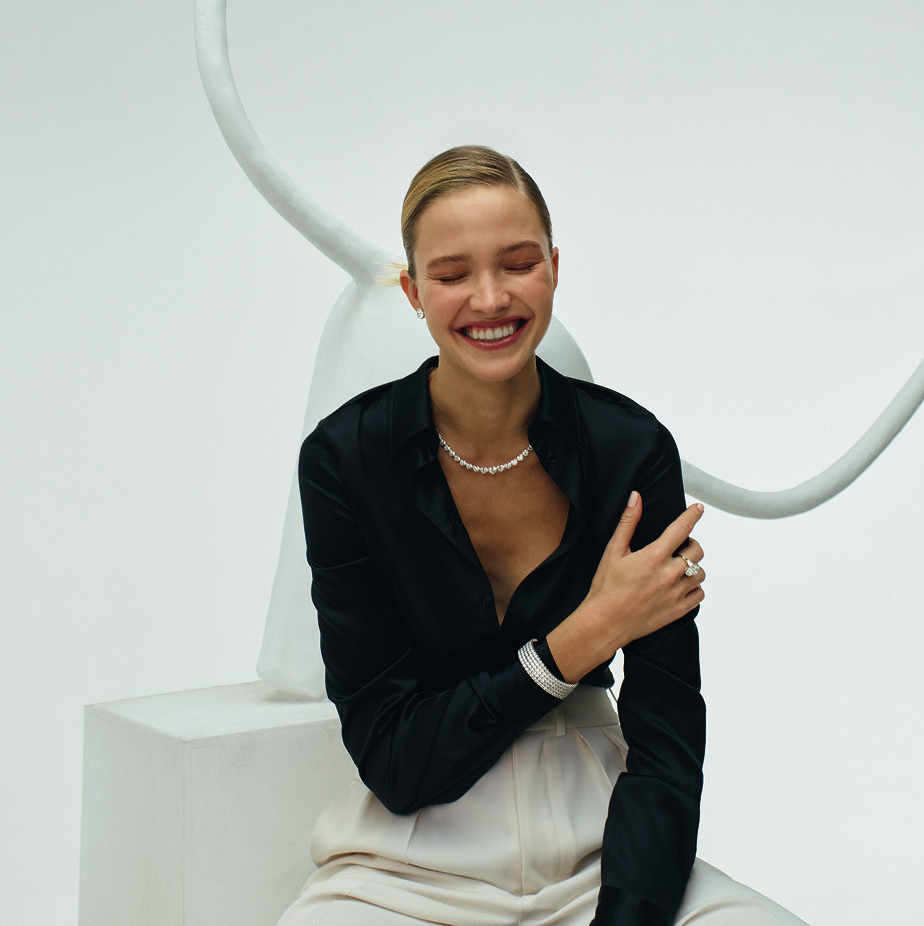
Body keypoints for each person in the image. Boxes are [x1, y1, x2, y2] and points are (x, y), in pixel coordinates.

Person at [278, 146, 808, 926]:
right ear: (413, 292)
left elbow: (665, 737)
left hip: (603, 845)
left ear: (554, 269)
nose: (490, 297)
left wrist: (626, 915)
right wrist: (584, 635)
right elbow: (395, 757)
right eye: (452, 273)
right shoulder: (345, 459)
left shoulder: (631, 449)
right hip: (408, 860)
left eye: (519, 263)